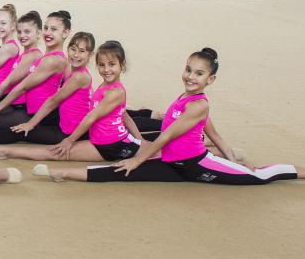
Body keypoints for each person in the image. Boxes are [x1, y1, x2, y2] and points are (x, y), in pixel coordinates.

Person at [33, 48, 305, 185]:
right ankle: (62, 172)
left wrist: (140, 157)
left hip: (197, 165)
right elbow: (211, 134)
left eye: (199, 74)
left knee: (258, 176)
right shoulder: (184, 97)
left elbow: (169, 136)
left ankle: (297, 171)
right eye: (188, 69)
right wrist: (137, 159)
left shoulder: (198, 105)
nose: (190, 76)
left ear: (211, 79)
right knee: (121, 172)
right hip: (173, 163)